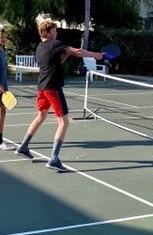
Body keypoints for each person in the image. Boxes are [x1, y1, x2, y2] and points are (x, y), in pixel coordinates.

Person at [16, 20, 104, 172]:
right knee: (64, 122)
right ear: (48, 32)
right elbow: (78, 52)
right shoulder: (55, 43)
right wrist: (96, 55)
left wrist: (65, 56)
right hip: (53, 87)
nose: (56, 33)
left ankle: (23, 146)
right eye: (55, 31)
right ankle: (54, 159)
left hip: (41, 88)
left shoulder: (39, 47)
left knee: (40, 117)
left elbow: (54, 63)